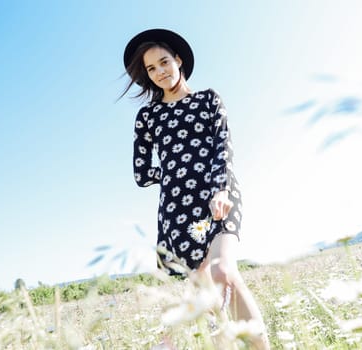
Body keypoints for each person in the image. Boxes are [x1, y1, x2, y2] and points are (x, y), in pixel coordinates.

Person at [121, 29, 270, 348]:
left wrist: (219, 188)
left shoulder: (208, 99)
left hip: (219, 195)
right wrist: (177, 170)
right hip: (177, 209)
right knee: (208, 297)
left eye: (164, 62)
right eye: (151, 69)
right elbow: (141, 173)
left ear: (178, 60)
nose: (160, 72)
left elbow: (223, 146)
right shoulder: (148, 116)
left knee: (222, 270)